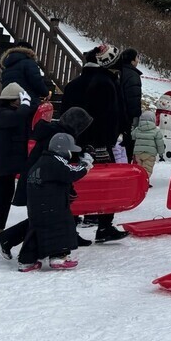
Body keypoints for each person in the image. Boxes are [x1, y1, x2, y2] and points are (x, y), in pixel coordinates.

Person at [0, 108, 94, 260]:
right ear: (76, 125)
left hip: (38, 180)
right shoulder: (58, 135)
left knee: (45, 216)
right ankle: (9, 240)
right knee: (44, 218)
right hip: (41, 183)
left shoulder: (54, 131)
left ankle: (8, 240)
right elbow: (57, 166)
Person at [59, 44, 128, 243]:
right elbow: (112, 115)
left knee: (75, 183)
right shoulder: (107, 83)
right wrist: (113, 137)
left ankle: (70, 227)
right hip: (100, 143)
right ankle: (104, 225)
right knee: (106, 184)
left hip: (73, 142)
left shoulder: (72, 85)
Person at [20, 132, 93, 272]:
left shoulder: (41, 161)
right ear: (62, 149)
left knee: (36, 231)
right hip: (52, 205)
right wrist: (85, 164)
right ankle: (59, 256)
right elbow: (72, 172)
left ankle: (27, 261)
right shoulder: (55, 161)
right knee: (62, 227)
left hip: (37, 205)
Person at [0, 83, 34, 236]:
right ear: (12, 99)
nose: (23, 101)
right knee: (0, 195)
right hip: (3, 162)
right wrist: (26, 104)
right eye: (20, 99)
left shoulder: (6, 112)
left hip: (6, 162)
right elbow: (17, 118)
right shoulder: (3, 113)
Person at [0, 40, 50, 110]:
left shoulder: (7, 67)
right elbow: (36, 81)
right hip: (27, 102)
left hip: (10, 103)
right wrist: (46, 93)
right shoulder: (29, 63)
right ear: (30, 51)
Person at [116, 48, 143, 162]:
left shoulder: (118, 71)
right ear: (132, 60)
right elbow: (133, 98)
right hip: (127, 118)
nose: (138, 60)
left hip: (116, 115)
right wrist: (135, 117)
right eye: (137, 58)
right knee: (127, 147)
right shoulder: (132, 75)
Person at [132, 110, 165, 181]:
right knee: (147, 169)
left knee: (138, 168)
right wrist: (161, 152)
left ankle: (137, 181)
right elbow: (160, 143)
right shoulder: (156, 131)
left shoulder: (137, 129)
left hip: (138, 153)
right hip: (150, 154)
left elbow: (133, 136)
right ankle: (144, 181)